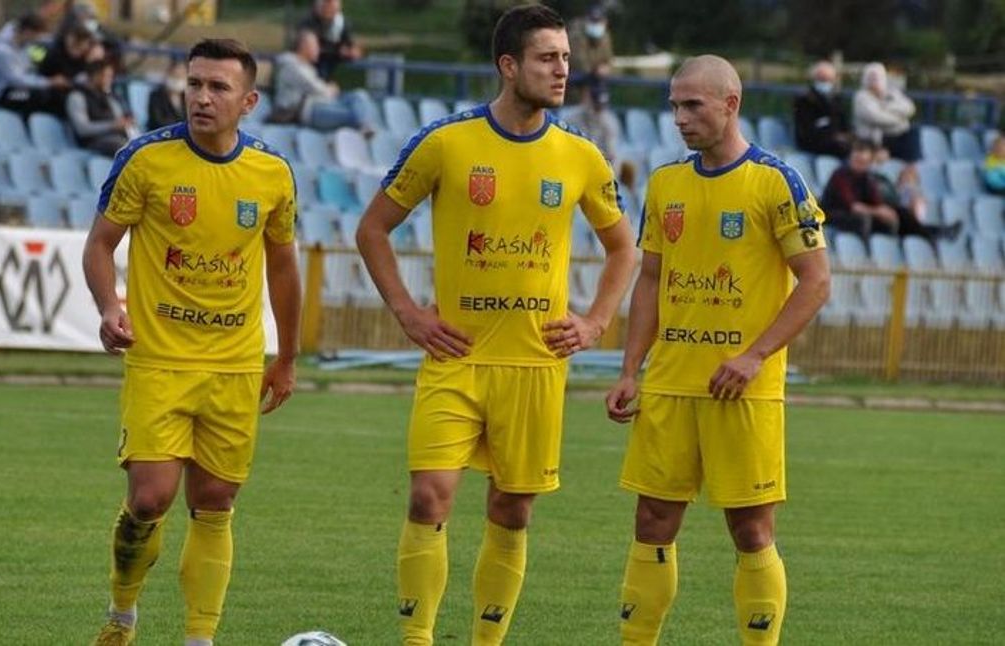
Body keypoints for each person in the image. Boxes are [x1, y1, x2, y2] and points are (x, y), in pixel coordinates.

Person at [356, 6, 636, 644]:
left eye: (566, 57)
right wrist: (407, 310)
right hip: (456, 357)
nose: (562, 69)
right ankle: (418, 639)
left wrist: (594, 322)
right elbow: (371, 228)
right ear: (508, 66)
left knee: (511, 511)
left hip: (535, 365)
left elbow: (625, 248)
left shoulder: (581, 156)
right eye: (547, 58)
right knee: (429, 498)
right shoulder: (446, 143)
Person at [605, 55, 831, 646]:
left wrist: (755, 356)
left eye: (692, 105)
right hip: (671, 383)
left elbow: (816, 281)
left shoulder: (775, 181)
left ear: (731, 104)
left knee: (752, 530)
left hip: (744, 389)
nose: (679, 118)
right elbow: (650, 278)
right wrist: (631, 368)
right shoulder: (667, 183)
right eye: (674, 105)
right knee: (651, 522)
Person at [82, 38, 301, 646]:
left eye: (219, 87)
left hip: (234, 366)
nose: (202, 97)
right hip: (159, 359)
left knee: (215, 500)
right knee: (150, 497)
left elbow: (283, 268)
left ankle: (199, 638)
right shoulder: (146, 159)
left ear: (248, 100)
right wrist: (109, 306)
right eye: (195, 84)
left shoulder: (272, 173)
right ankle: (122, 615)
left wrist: (286, 358)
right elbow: (101, 243)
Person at [822, 139, 959, 241]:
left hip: (862, 213)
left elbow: (876, 201)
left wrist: (886, 211)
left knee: (899, 213)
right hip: (836, 215)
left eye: (864, 162)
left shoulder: (867, 178)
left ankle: (933, 233)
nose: (859, 164)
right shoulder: (840, 175)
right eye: (857, 159)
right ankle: (866, 253)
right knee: (863, 219)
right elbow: (853, 206)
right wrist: (878, 211)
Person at [272, 29, 376, 131]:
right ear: (304, 46)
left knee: (359, 95)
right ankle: (365, 127)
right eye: (316, 45)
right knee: (355, 116)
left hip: (321, 103)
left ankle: (366, 126)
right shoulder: (291, 66)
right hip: (307, 112)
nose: (319, 49)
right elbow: (316, 89)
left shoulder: (305, 66)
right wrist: (331, 89)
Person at [0, 12, 71, 116]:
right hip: (2, 94)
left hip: (19, 89)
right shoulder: (2, 52)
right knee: (36, 96)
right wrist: (49, 82)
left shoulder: (26, 46)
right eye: (36, 35)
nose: (37, 39)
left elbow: (32, 67)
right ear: (28, 32)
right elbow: (17, 80)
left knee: (52, 95)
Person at [852, 62, 920, 163]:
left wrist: (884, 107)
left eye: (877, 77)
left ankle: (912, 165)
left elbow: (910, 108)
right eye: (871, 77)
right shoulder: (861, 97)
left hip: (897, 135)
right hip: (874, 139)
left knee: (913, 133)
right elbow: (876, 118)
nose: (874, 81)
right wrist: (901, 119)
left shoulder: (892, 93)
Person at [66, 59, 135, 157]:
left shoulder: (109, 97)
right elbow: (82, 129)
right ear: (94, 76)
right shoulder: (77, 96)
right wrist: (111, 125)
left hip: (116, 138)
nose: (109, 80)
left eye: (110, 76)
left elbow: (119, 118)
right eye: (106, 76)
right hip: (92, 142)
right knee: (123, 147)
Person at [793, 60, 852, 158]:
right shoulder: (804, 100)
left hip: (835, 140)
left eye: (829, 79)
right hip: (813, 143)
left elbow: (843, 122)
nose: (826, 83)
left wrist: (846, 135)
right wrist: (833, 136)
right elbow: (806, 130)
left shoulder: (835, 99)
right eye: (822, 79)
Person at [296, 0, 363, 81]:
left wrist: (352, 52)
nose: (328, 8)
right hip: (307, 67)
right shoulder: (308, 22)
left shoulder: (341, 22)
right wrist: (338, 51)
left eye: (332, 5)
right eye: (326, 4)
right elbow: (310, 50)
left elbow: (352, 46)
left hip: (329, 68)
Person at [566, 2, 613, 102]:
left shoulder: (605, 36)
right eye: (593, 21)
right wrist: (596, 70)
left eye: (598, 21)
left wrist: (605, 68)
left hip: (594, 85)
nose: (595, 25)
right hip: (574, 85)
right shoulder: (576, 35)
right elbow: (578, 62)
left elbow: (608, 60)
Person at [571, 83, 620, 165]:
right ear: (588, 100)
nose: (599, 111)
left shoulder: (610, 122)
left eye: (601, 107)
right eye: (596, 106)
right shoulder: (572, 118)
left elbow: (611, 155)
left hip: (598, 164)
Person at [147, 60, 187, 130]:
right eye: (175, 75)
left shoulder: (186, 96)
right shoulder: (156, 96)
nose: (178, 79)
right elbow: (158, 121)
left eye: (181, 76)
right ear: (168, 74)